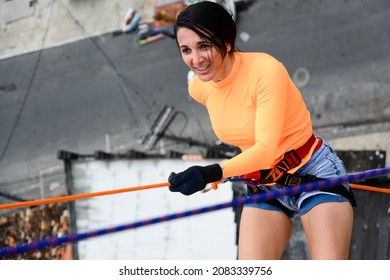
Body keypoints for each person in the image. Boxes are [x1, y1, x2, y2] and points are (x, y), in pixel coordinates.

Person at [167, 1, 355, 260]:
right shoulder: (199, 89)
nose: (196, 59)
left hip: (312, 172)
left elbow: (266, 150)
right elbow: (246, 140)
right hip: (263, 184)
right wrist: (214, 176)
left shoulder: (265, 71)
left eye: (205, 46)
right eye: (186, 50)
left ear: (227, 42)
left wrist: (212, 172)